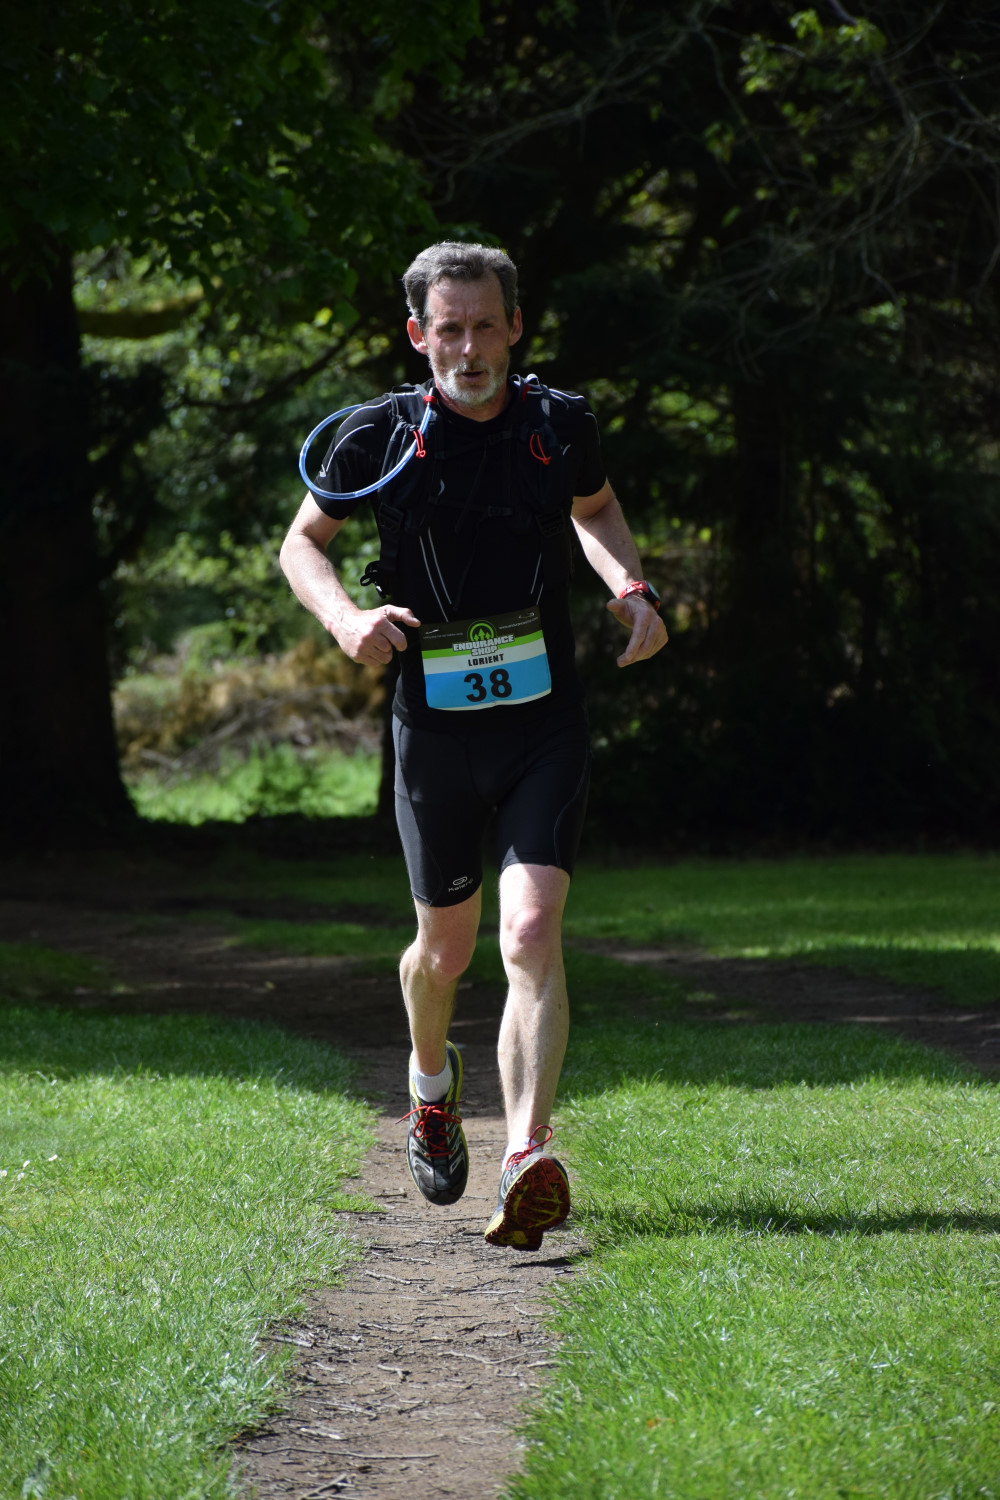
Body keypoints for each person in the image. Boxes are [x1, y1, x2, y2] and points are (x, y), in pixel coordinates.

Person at [280, 242, 667, 1251]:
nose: (469, 348)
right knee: (444, 952)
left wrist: (631, 588)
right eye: (448, 329)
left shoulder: (557, 423)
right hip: (434, 730)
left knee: (531, 933)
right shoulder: (380, 435)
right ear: (419, 336)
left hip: (543, 719)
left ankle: (526, 1155)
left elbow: (595, 507)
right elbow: (301, 543)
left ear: (514, 326)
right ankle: (430, 1087)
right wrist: (344, 620)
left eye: (485, 325)